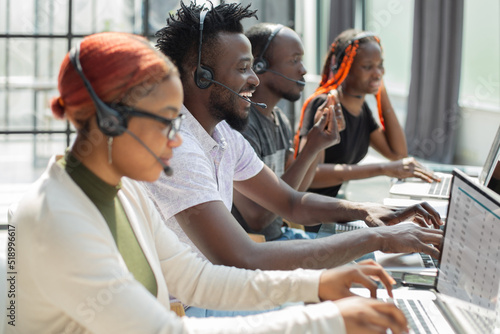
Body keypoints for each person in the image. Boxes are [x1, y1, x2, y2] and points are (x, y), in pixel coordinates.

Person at [7, 31, 412, 334]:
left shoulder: (125, 190)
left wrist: (319, 283)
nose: (179, 138)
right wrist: (326, 319)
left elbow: (196, 279)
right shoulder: (58, 219)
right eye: (167, 120)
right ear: (112, 120)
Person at [148, 1, 443, 274]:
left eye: (252, 66)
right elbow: (244, 257)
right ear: (201, 76)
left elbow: (292, 204)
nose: (254, 79)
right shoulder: (179, 150)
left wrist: (366, 211)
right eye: (242, 68)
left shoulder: (225, 135)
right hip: (195, 308)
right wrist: (377, 238)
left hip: (222, 286)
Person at [231, 22, 342, 241]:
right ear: (260, 66)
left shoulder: (279, 119)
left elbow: (296, 190)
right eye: (294, 60)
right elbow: (258, 218)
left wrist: (318, 144)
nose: (303, 69)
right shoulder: (241, 127)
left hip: (282, 236)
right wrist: (309, 150)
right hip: (259, 248)